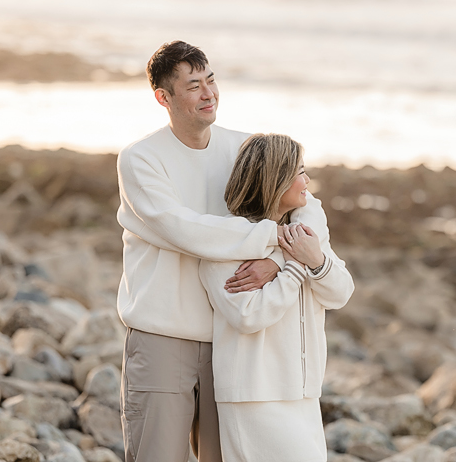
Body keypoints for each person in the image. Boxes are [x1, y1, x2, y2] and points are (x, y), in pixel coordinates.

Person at [116, 41, 342, 462]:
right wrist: (277, 240)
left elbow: (308, 206)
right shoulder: (141, 159)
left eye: (211, 80)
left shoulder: (242, 147)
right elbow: (185, 230)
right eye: (193, 86)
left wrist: (277, 259)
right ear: (163, 98)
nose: (209, 94)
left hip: (233, 343)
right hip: (164, 335)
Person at [199, 133, 354, 462]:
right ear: (276, 179)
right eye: (300, 172)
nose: (307, 181)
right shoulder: (226, 243)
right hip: (255, 397)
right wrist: (295, 265)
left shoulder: (303, 237)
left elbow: (341, 293)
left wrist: (313, 260)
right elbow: (249, 316)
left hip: (304, 392)